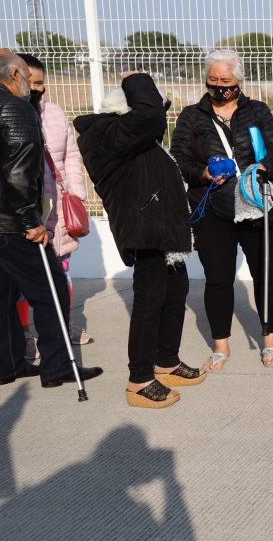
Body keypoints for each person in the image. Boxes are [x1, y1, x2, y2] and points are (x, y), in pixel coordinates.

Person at [74, 73, 203, 408]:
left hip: (163, 232)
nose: (158, 119)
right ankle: (140, 380)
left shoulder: (128, 135)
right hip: (147, 231)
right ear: (128, 111)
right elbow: (149, 116)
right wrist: (136, 80)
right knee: (149, 302)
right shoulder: (108, 134)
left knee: (175, 295)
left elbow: (149, 119)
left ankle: (166, 362)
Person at [0, 49, 102, 388]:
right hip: (14, 224)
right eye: (26, 78)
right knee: (52, 291)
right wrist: (29, 220)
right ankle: (58, 367)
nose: (31, 87)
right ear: (14, 76)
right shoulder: (15, 108)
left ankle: (7, 366)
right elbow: (20, 171)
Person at [171, 49, 273, 371]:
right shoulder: (192, 116)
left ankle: (270, 340)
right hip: (211, 205)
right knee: (218, 278)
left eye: (226, 81)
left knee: (266, 275)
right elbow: (179, 158)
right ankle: (220, 345)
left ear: (239, 81)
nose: (220, 87)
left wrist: (264, 166)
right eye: (213, 81)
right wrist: (203, 174)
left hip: (257, 202)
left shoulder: (258, 111)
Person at [16, 53, 94, 350]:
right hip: (25, 210)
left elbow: (71, 156)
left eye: (41, 83)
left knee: (62, 270)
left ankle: (64, 324)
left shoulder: (56, 114)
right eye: (31, 83)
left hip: (58, 207)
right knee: (25, 279)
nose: (37, 89)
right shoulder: (9, 114)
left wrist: (75, 192)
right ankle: (24, 333)